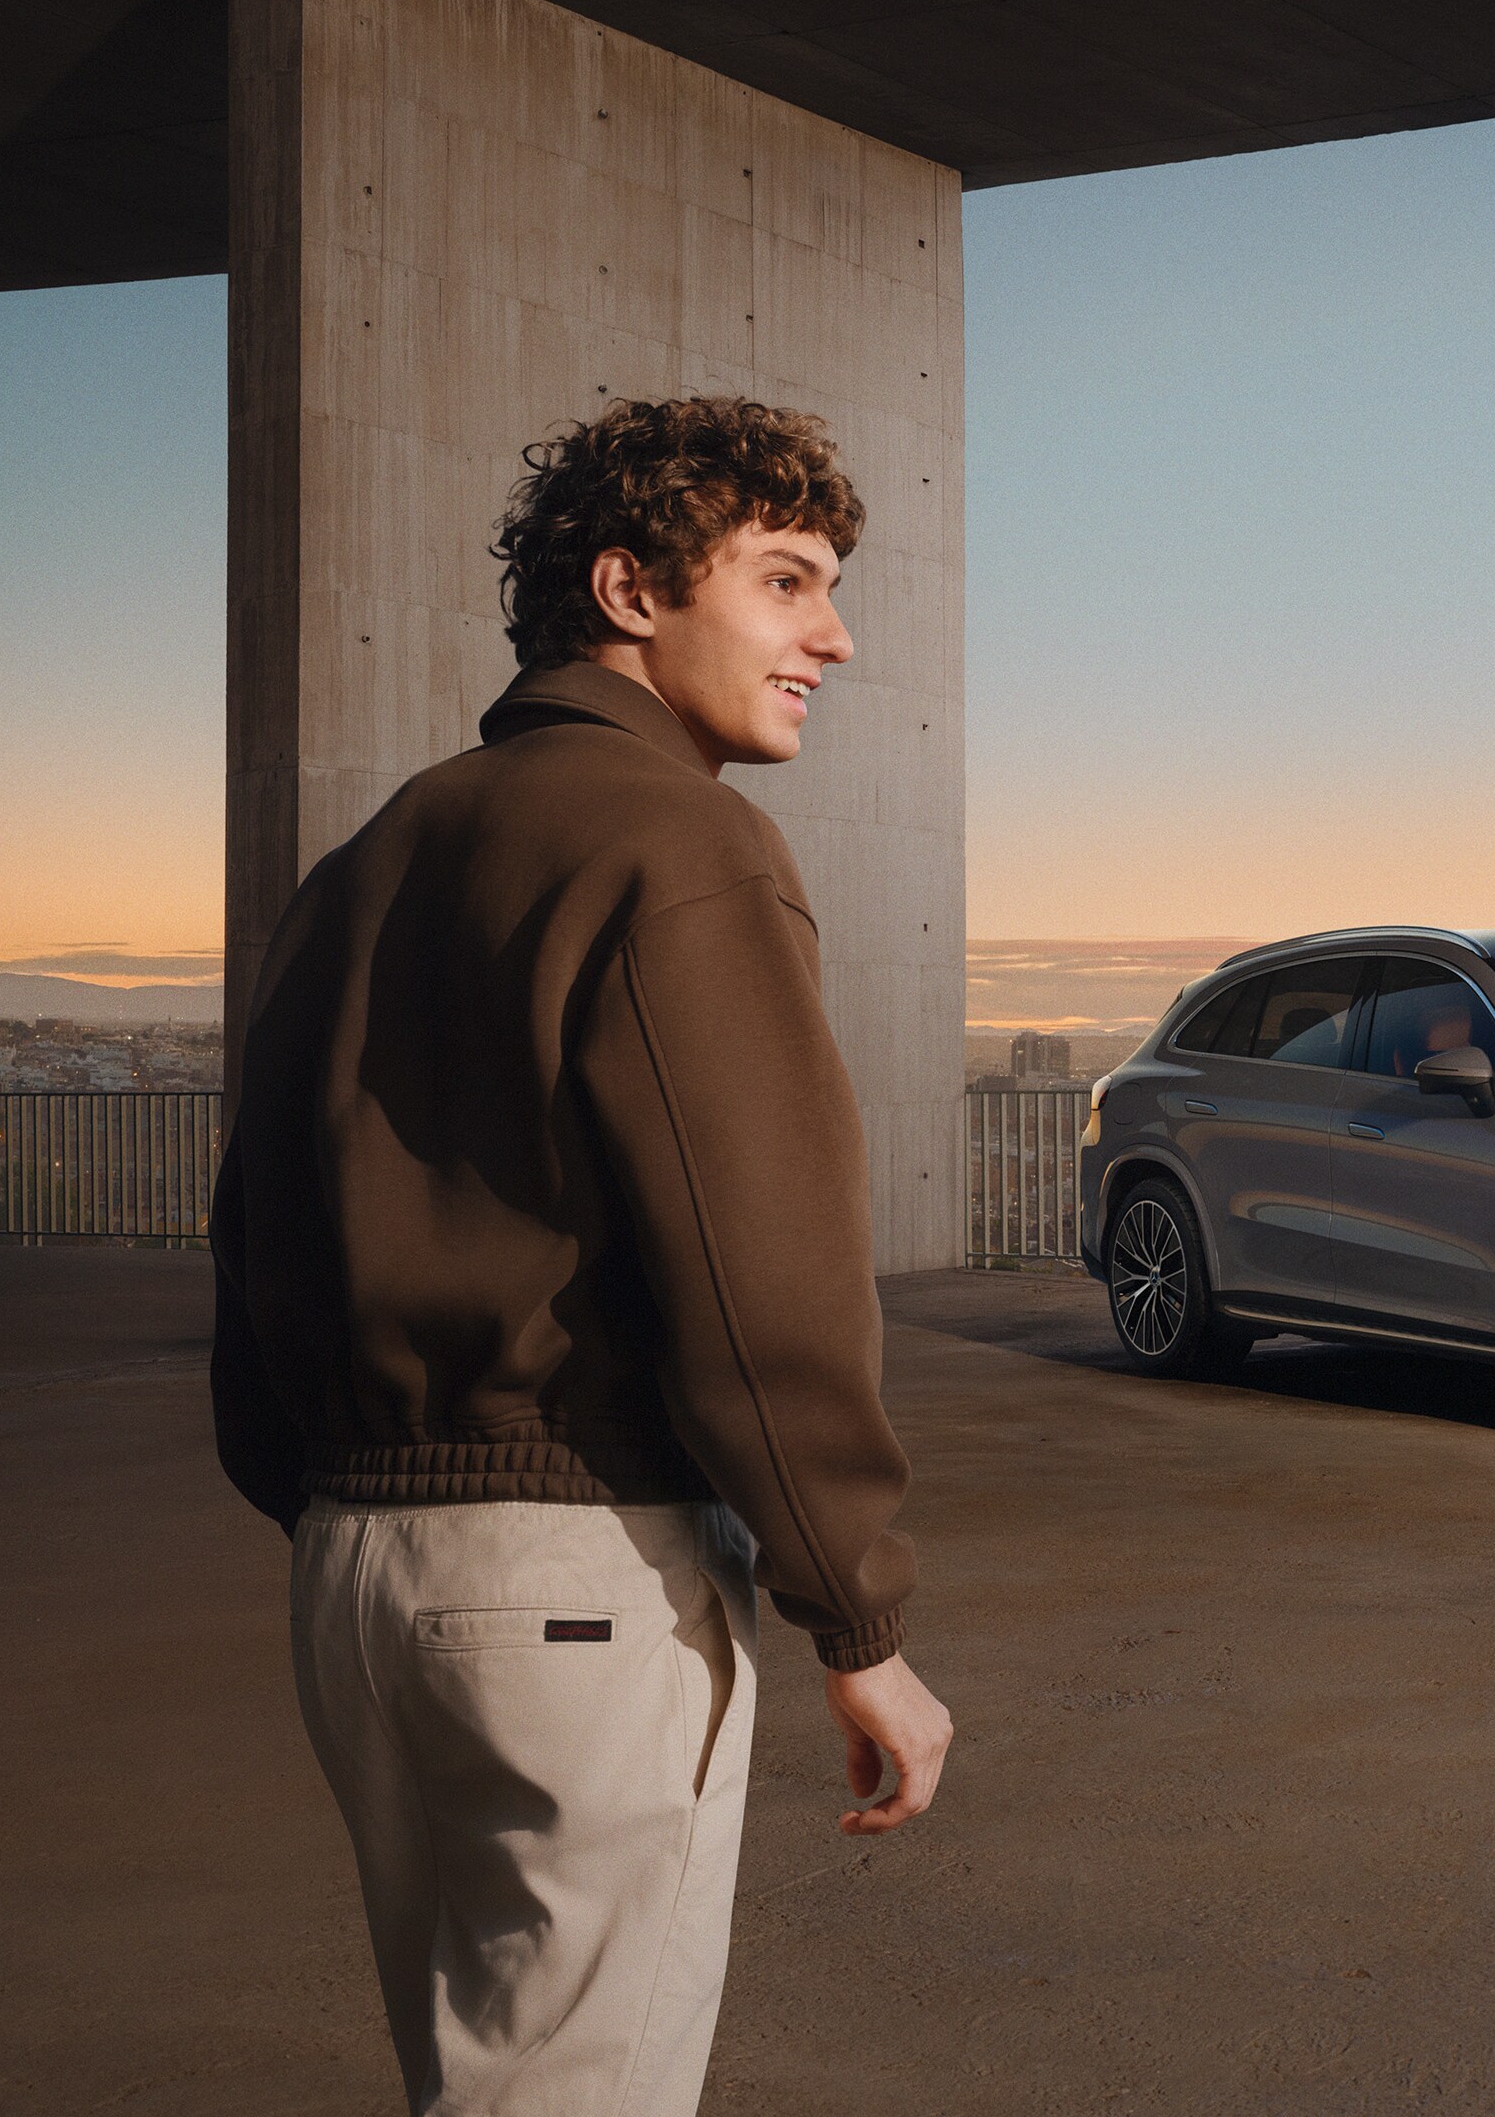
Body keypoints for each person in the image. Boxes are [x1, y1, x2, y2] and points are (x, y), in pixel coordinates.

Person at [211, 394, 953, 2117]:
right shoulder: (681, 844)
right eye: (786, 582)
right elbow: (760, 1266)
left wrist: (342, 1498)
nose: (832, 637)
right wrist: (859, 1616)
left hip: (359, 1580)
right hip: (567, 1576)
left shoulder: (367, 861)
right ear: (631, 587)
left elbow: (255, 1219)